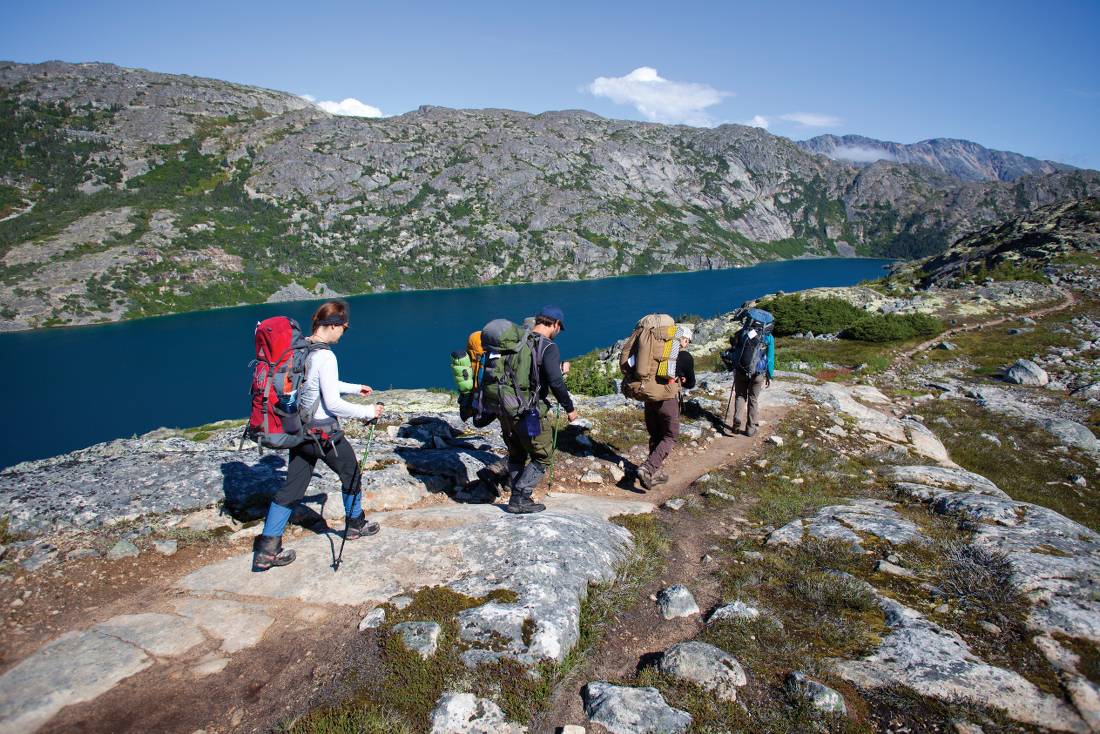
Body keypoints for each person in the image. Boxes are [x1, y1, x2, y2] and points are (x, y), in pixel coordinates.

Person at [252, 300, 385, 571]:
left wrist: (354, 387)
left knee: (292, 488)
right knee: (351, 473)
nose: (343, 334)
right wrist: (368, 411)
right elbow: (332, 404)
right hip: (325, 434)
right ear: (333, 325)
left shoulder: (301, 348)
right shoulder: (326, 355)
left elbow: (317, 384)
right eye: (343, 329)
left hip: (300, 431)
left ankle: (267, 549)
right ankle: (355, 524)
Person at [499, 305, 578, 514]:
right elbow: (555, 382)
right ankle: (519, 497)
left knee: (516, 453)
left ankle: (514, 491)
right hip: (528, 412)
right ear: (556, 324)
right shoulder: (548, 347)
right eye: (560, 328)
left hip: (505, 407)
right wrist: (569, 408)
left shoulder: (516, 341)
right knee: (543, 454)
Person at [637, 325, 696, 489]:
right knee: (670, 436)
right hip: (667, 399)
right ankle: (647, 468)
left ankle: (653, 472)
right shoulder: (685, 357)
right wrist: (683, 377)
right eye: (688, 341)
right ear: (682, 340)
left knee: (655, 434)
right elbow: (691, 383)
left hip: (649, 398)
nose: (687, 344)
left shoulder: (655, 354)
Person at [723, 323, 774, 437]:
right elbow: (770, 358)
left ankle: (737, 420)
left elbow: (735, 350)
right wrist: (769, 375)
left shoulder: (744, 333)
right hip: (758, 373)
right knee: (753, 399)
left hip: (741, 371)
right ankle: (750, 429)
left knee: (740, 396)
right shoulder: (768, 337)